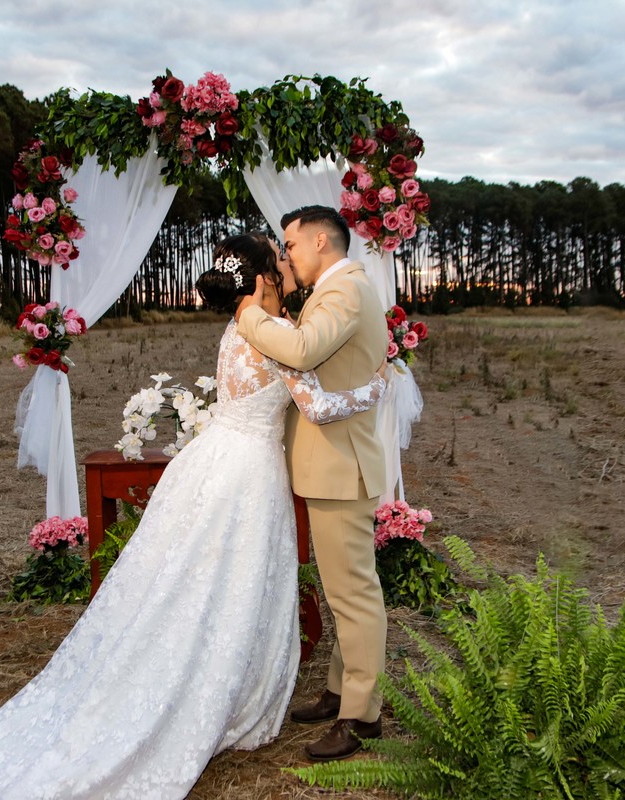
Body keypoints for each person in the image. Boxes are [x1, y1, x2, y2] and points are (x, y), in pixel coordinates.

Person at [0, 232, 386, 800]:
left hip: (212, 461)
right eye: (280, 259)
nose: (288, 263)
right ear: (263, 279)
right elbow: (319, 405)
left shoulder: (238, 329)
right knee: (228, 583)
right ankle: (208, 685)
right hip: (247, 475)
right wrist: (373, 389)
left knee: (187, 578)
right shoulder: (274, 332)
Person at [235, 205, 388, 762]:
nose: (288, 255)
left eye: (292, 245)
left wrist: (248, 314)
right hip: (333, 463)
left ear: (321, 240)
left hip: (341, 467)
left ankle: (362, 716)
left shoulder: (344, 290)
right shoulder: (336, 289)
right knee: (344, 592)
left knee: (354, 595)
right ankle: (340, 690)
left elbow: (302, 352)